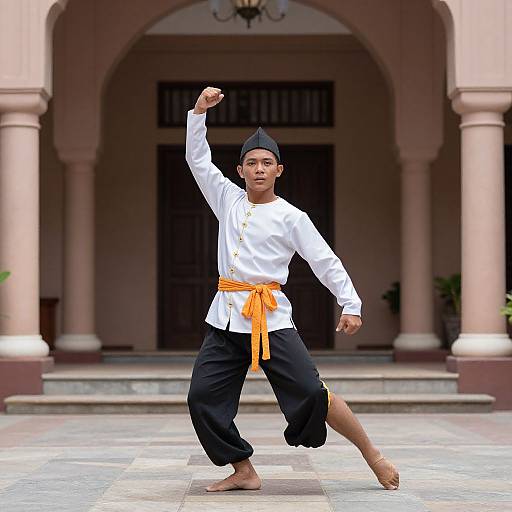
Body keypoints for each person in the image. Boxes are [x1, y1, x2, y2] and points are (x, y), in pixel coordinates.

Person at [185, 86, 399, 492]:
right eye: (252, 163)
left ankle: (373, 454)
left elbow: (325, 261)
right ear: (240, 170)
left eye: (267, 162)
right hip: (225, 320)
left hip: (271, 319)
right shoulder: (226, 199)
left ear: (279, 170)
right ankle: (243, 469)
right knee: (202, 398)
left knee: (311, 392)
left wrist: (350, 304)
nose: (259, 169)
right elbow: (198, 160)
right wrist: (199, 114)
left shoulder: (292, 217)